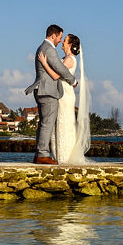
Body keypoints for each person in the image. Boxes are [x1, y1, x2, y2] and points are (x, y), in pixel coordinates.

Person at [36, 33, 92, 164]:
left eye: (64, 40)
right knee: (58, 124)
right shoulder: (65, 58)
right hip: (62, 94)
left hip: (64, 96)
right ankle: (58, 156)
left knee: (64, 124)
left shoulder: (69, 60)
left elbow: (56, 75)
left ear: (70, 44)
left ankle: (64, 157)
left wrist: (44, 63)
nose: (62, 42)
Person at [25, 24, 77, 164]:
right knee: (47, 123)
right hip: (47, 91)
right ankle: (42, 154)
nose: (60, 40)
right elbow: (60, 68)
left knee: (43, 123)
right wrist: (73, 80)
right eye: (60, 37)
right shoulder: (49, 49)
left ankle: (39, 154)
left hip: (42, 89)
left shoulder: (42, 48)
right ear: (53, 35)